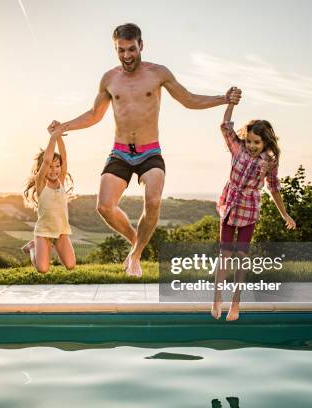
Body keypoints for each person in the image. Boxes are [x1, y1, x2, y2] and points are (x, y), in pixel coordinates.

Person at [53, 23, 241, 276]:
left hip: (149, 151)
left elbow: (189, 100)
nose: (127, 55)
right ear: (115, 49)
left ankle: (136, 256)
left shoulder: (158, 73)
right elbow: (94, 115)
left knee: (153, 200)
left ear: (141, 45)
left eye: (131, 49)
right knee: (104, 206)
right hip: (120, 151)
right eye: (121, 50)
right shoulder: (109, 79)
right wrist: (63, 126)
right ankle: (136, 242)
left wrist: (223, 98)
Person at [212, 89, 296, 321]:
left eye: (256, 142)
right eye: (249, 140)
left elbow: (274, 188)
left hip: (249, 207)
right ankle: (217, 297)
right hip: (230, 204)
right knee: (225, 254)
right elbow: (225, 124)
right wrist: (230, 103)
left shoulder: (270, 161)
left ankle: (235, 303)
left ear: (266, 142)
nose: (251, 145)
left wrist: (285, 215)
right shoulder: (237, 147)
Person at [21, 121, 76, 273]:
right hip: (43, 231)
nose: (54, 170)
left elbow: (64, 155)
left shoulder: (61, 180)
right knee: (43, 269)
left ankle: (45, 248)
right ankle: (33, 247)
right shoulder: (41, 184)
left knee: (71, 265)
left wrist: (59, 136)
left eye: (57, 166)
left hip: (61, 231)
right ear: (42, 169)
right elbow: (46, 160)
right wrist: (53, 137)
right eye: (50, 167)